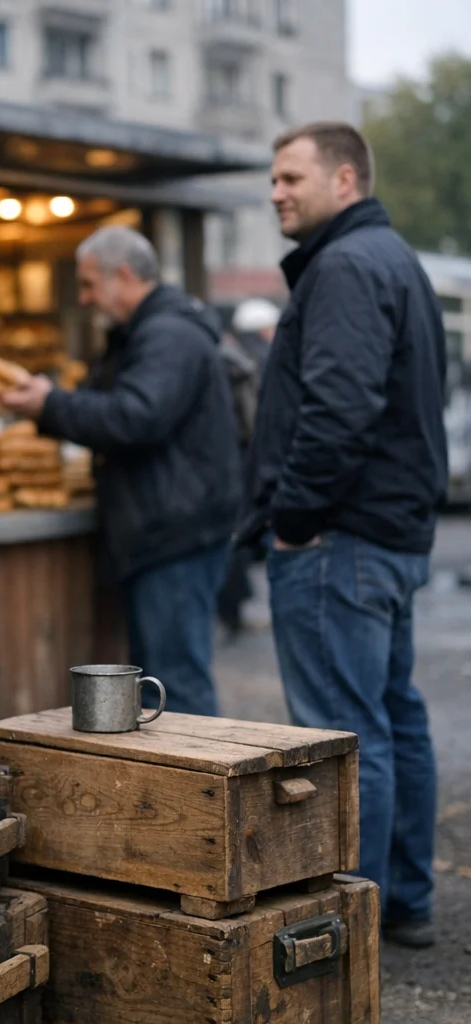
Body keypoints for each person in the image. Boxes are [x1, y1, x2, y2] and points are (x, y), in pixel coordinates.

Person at [238, 122, 448, 948]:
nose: (276, 193)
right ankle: (401, 902)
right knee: (391, 719)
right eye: (273, 179)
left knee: (348, 740)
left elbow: (339, 411)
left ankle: (357, 920)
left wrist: (294, 521)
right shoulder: (387, 258)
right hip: (382, 533)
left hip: (339, 538)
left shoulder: (348, 266)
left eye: (292, 177)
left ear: (346, 180)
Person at [2, 226, 241, 717]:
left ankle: (198, 769)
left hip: (174, 536)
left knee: (176, 688)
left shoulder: (168, 335)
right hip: (164, 532)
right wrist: (52, 401)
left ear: (125, 276)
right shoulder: (142, 334)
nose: (84, 299)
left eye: (89, 284)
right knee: (162, 685)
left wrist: (50, 405)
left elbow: (136, 417)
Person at [216, 298, 280, 636]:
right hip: (247, 460)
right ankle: (235, 609)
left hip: (238, 460)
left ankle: (234, 609)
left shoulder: (234, 358)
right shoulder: (256, 361)